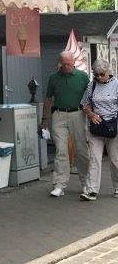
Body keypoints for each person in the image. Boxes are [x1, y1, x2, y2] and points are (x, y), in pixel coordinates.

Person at [40, 51, 89, 197]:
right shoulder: (53, 78)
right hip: (59, 114)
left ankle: (86, 183)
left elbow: (90, 96)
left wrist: (91, 113)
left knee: (81, 150)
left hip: (78, 114)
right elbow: (48, 98)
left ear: (74, 62)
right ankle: (59, 185)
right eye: (64, 64)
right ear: (60, 63)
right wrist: (44, 119)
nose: (67, 67)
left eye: (69, 64)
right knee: (60, 150)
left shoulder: (83, 76)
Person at [79, 58, 118, 201]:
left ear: (109, 72)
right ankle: (91, 190)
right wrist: (91, 114)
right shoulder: (92, 85)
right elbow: (84, 104)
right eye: (96, 74)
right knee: (94, 159)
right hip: (96, 126)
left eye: (102, 74)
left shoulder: (116, 84)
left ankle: (117, 186)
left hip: (112, 126)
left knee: (114, 159)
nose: (99, 77)